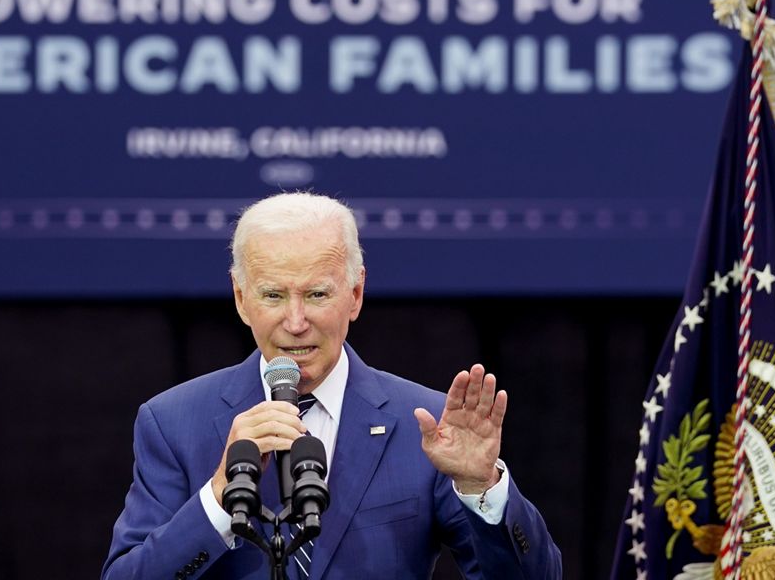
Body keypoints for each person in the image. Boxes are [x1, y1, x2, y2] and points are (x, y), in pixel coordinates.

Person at [102, 193, 561, 579]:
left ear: (355, 295)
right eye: (273, 295)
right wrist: (217, 498)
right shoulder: (174, 422)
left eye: (317, 294)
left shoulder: (424, 425)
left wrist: (482, 485)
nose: (296, 322)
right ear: (241, 299)